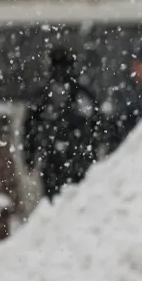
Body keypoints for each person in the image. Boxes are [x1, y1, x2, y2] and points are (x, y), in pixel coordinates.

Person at [23, 46, 101, 202]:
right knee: (80, 201)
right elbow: (96, 124)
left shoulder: (44, 95)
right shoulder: (80, 94)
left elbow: (30, 127)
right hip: (77, 156)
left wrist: (30, 155)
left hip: (56, 157)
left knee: (56, 203)